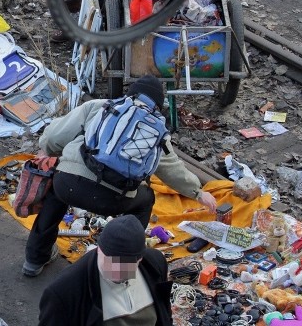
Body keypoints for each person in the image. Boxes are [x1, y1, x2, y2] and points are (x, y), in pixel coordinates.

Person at [23, 75, 217, 277]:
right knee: (146, 199)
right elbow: (171, 169)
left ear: (130, 93)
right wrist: (198, 192)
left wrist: (46, 148)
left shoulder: (101, 106)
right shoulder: (156, 129)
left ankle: (35, 258)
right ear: (158, 105)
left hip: (70, 185)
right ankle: (120, 266)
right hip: (114, 199)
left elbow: (56, 136)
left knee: (56, 191)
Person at [38, 215, 173, 325]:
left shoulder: (155, 264)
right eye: (110, 260)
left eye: (124, 265)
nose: (115, 269)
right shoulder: (63, 292)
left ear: (140, 259)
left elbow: (164, 315)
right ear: (98, 249)